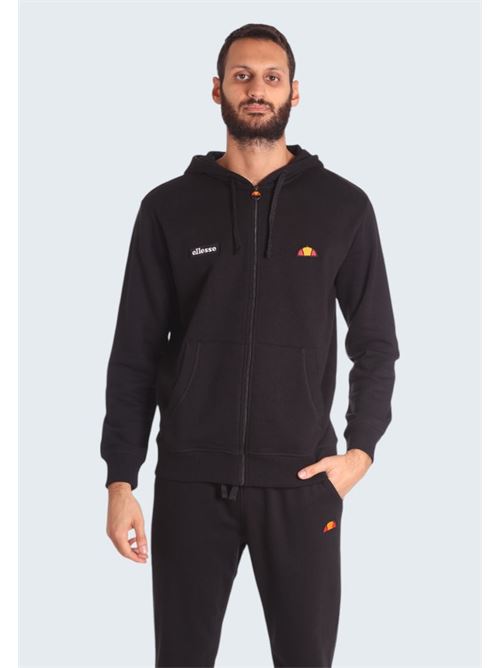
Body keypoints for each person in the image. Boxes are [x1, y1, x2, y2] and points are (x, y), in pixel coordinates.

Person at [100, 23, 400, 668]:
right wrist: (121, 479)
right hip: (189, 481)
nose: (256, 89)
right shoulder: (167, 208)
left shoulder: (343, 206)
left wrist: (360, 451)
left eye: (270, 77)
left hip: (302, 482)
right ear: (217, 90)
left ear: (295, 91)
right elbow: (134, 352)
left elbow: (376, 343)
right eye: (242, 76)